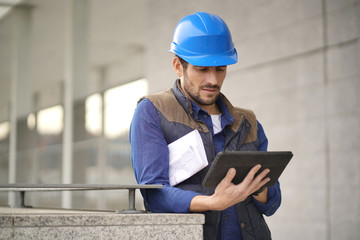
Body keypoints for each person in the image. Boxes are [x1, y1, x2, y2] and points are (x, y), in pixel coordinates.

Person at [129, 12, 281, 240]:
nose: (213, 80)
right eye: (202, 69)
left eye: (220, 69)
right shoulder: (152, 111)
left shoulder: (247, 122)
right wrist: (213, 202)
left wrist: (255, 187)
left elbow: (272, 203)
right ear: (178, 67)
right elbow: (154, 193)